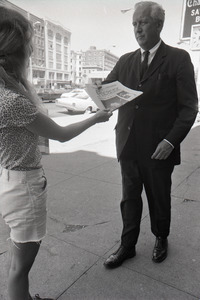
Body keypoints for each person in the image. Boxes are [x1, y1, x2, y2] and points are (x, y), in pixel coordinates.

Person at [0, 6, 112, 300]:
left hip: (11, 180)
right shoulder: (13, 100)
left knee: (17, 262)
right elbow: (61, 135)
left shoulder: (3, 93)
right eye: (29, 48)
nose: (31, 54)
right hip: (24, 187)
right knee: (19, 269)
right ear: (16, 54)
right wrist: (96, 117)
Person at [103, 1, 198, 269]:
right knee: (129, 198)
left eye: (142, 22)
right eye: (134, 24)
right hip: (129, 145)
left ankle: (161, 237)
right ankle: (127, 245)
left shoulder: (178, 58)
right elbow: (107, 92)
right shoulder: (125, 61)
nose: (137, 28)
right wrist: (99, 94)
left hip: (159, 147)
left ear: (158, 24)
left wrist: (170, 141)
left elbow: (189, 107)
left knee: (159, 198)